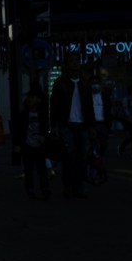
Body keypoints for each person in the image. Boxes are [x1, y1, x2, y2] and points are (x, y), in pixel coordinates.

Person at [50, 52, 94, 199]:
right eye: (72, 61)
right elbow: (54, 105)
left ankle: (79, 186)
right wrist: (54, 125)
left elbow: (89, 105)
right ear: (67, 64)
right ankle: (68, 186)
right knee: (69, 156)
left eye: (77, 60)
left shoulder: (85, 82)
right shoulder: (60, 82)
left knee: (81, 157)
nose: (75, 63)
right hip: (66, 124)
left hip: (82, 124)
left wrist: (92, 126)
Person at [12, 86, 50, 200]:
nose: (29, 99)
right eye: (29, 97)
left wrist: (44, 136)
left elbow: (45, 128)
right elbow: (17, 131)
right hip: (27, 145)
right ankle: (30, 189)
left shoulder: (43, 114)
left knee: (41, 169)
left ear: (39, 100)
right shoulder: (23, 114)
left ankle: (45, 189)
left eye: (32, 97)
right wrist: (17, 145)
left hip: (39, 145)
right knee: (28, 170)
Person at [116, 84, 132, 158]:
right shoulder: (126, 99)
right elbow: (127, 110)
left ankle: (121, 146)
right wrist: (131, 121)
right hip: (130, 121)